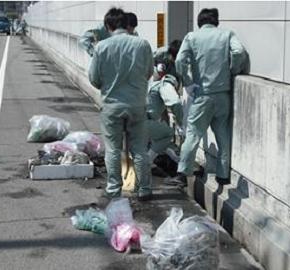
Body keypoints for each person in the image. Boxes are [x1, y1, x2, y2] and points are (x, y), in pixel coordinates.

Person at [168, 8, 247, 187]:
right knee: (222, 135)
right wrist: (233, 70)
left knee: (193, 133)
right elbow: (238, 51)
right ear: (216, 21)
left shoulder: (192, 37)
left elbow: (180, 61)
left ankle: (182, 174)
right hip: (223, 95)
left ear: (199, 22)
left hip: (203, 95)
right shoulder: (227, 35)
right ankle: (223, 174)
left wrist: (187, 81)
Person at [89, 8, 153, 200]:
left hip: (112, 106)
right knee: (140, 149)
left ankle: (114, 189)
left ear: (108, 26)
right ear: (126, 24)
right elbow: (149, 72)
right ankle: (145, 189)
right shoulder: (142, 44)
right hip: (136, 105)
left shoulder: (101, 47)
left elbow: (94, 79)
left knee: (113, 149)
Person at [146, 70, 183, 174]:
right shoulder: (166, 85)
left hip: (131, 119)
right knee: (168, 134)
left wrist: (175, 157)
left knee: (159, 138)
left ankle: (175, 159)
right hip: (144, 121)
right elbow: (176, 103)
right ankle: (147, 162)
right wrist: (181, 123)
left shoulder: (151, 85)